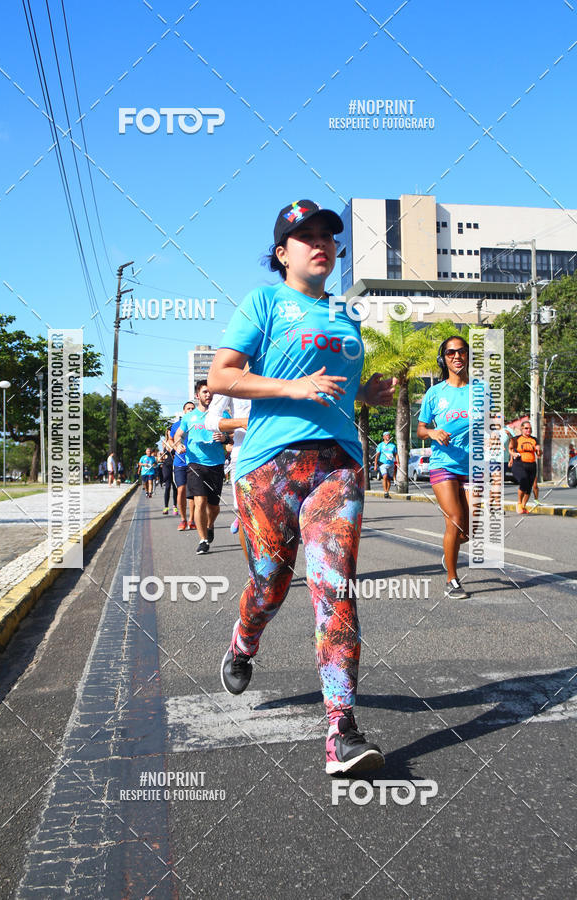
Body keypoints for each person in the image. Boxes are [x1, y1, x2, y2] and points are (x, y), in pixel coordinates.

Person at [208, 198, 395, 776]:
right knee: (270, 584)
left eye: (328, 236)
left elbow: (338, 387)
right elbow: (223, 376)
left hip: (336, 465)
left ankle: (341, 728)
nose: (320, 243)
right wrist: (293, 389)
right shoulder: (264, 301)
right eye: (305, 236)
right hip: (268, 466)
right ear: (282, 253)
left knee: (334, 586)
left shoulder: (346, 317)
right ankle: (244, 640)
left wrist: (369, 394)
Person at [417, 335, 475, 601]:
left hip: (472, 464)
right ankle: (452, 579)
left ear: (467, 355)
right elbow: (420, 429)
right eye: (451, 352)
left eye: (461, 351)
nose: (457, 356)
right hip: (443, 465)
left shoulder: (481, 390)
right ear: (445, 358)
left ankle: (449, 551)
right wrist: (433, 433)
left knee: (470, 528)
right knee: (454, 519)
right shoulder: (435, 393)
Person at [173, 381, 229, 554]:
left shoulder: (222, 414)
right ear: (198, 395)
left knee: (213, 506)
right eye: (205, 392)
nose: (208, 395)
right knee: (199, 501)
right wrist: (178, 445)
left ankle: (210, 524)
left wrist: (225, 439)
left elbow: (233, 436)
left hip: (216, 464)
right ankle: (203, 540)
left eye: (211, 392)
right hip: (195, 463)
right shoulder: (189, 417)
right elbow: (178, 436)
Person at [204, 383, 251, 559]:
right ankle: (254, 576)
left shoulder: (277, 369)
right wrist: (241, 422)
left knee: (277, 519)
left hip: (280, 453)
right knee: (246, 515)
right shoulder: (232, 378)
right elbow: (210, 421)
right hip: (244, 457)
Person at [169, 402, 197, 530]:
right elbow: (171, 439)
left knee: (192, 492)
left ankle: (191, 520)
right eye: (188, 408)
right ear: (183, 411)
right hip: (180, 462)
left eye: (193, 408)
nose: (190, 410)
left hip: (194, 461)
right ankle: (182, 519)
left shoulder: (198, 424)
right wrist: (176, 446)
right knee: (181, 490)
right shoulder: (176, 425)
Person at [510, 420, 541, 514]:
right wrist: (513, 455)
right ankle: (519, 503)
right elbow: (510, 449)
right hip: (520, 464)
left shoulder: (534, 439)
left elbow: (539, 454)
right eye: (526, 428)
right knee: (523, 482)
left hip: (532, 465)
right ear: (522, 429)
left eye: (530, 428)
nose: (529, 430)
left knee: (529, 488)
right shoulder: (516, 439)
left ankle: (523, 506)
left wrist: (539, 451)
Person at [373, 430, 399, 498]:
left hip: (391, 464)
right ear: (383, 437)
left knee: (389, 479)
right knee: (385, 476)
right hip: (382, 464)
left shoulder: (393, 446)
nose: (388, 436)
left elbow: (396, 454)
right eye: (386, 435)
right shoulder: (380, 445)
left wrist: (398, 462)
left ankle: (387, 491)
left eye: (389, 435)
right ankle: (385, 491)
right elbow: (377, 456)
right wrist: (375, 465)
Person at [159, 447, 176, 515]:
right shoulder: (165, 444)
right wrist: (160, 457)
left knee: (175, 487)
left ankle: (175, 506)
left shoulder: (177, 442)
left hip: (175, 465)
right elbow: (162, 456)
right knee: (167, 487)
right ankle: (166, 507)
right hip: (166, 466)